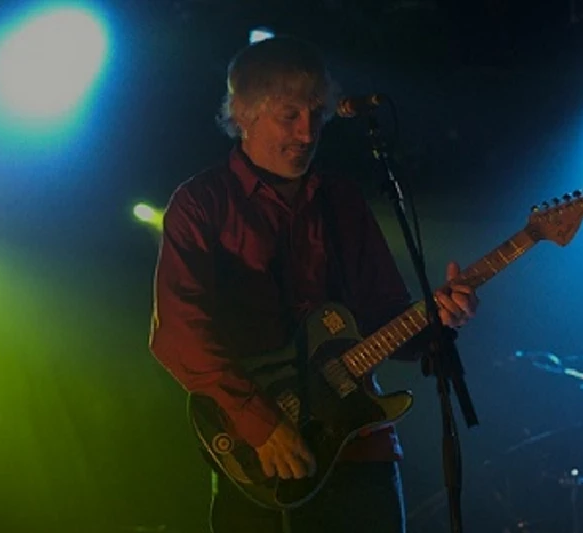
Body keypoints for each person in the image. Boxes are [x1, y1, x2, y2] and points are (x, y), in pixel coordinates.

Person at [148, 35, 479, 533]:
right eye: (290, 116)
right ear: (243, 112)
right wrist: (261, 424)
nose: (307, 133)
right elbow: (178, 333)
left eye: (317, 115)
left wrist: (437, 320)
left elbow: (384, 313)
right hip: (257, 452)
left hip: (360, 445)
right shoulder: (201, 204)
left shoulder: (341, 200)